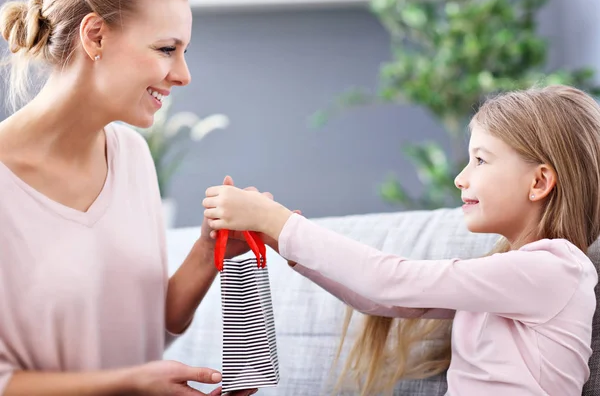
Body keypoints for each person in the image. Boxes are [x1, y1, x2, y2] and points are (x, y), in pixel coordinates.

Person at [202, 85, 600, 396]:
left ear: (539, 182)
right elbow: (388, 301)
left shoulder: (555, 268)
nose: (461, 178)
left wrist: (279, 221)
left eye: (480, 159)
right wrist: (276, 235)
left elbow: (391, 280)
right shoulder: (510, 275)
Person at [0, 0, 259, 395]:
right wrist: (130, 386)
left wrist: (209, 251)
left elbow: (144, 322)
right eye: (167, 49)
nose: (184, 75)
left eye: (184, 52)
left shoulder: (132, 155)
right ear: (96, 36)